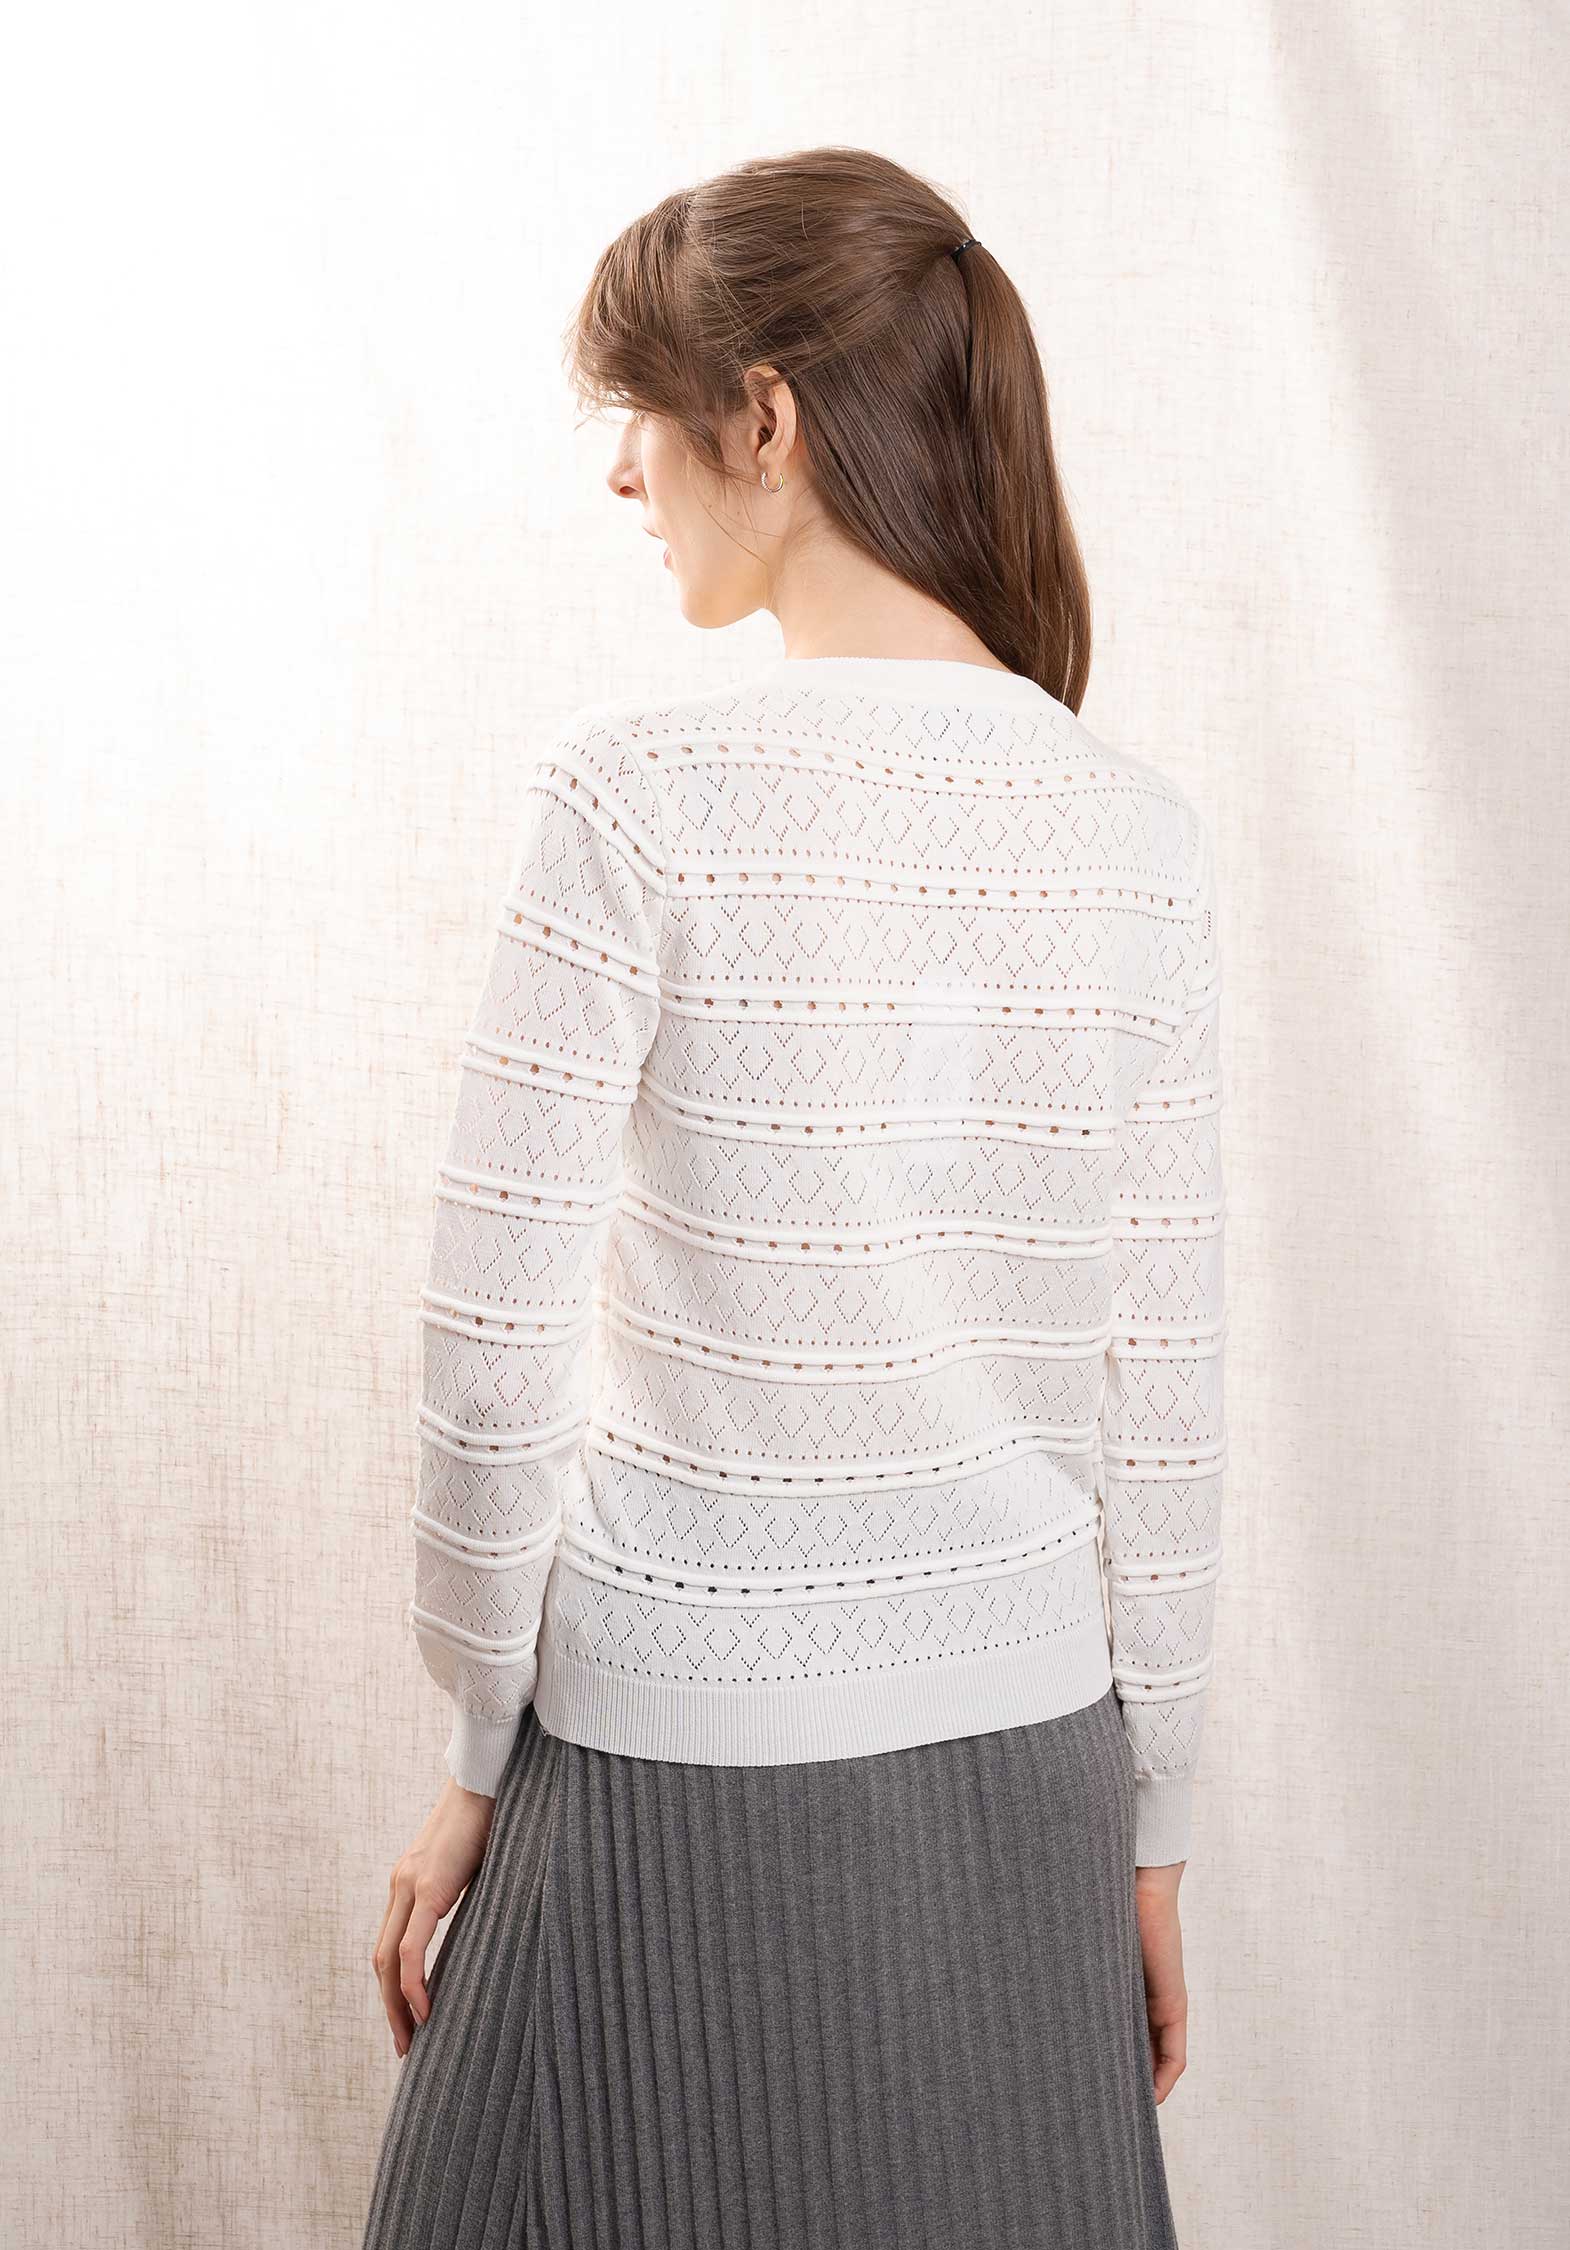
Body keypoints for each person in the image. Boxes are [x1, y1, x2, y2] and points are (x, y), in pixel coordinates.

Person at [363, 144, 1225, 2250]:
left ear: (762, 417)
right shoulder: (1136, 834)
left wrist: (475, 1745)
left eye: (637, 417)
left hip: (670, 1761)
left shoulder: (638, 796)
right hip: (1032, 1768)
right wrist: (1152, 1827)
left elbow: (490, 1348)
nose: (621, 474)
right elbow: (1166, 1389)